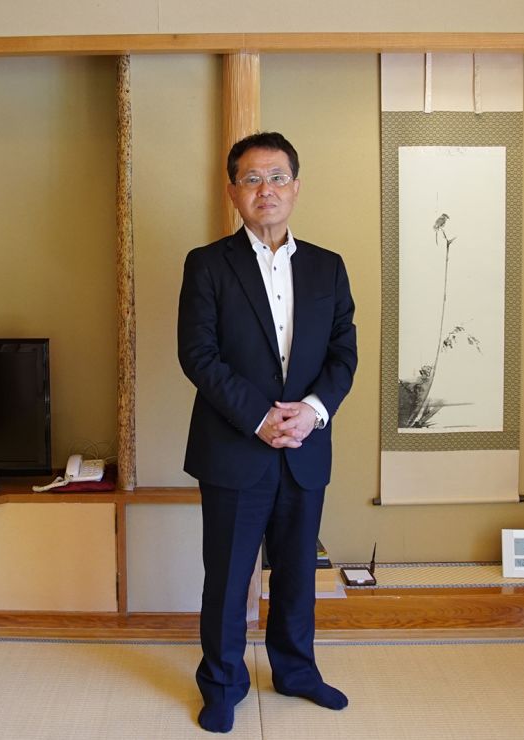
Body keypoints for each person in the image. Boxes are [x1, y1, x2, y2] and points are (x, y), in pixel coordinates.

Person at [177, 132, 358, 733]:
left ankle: (296, 671)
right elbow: (198, 356)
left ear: (296, 188)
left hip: (305, 447)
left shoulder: (328, 267)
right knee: (228, 577)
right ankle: (223, 684)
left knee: (297, 572)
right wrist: (259, 417)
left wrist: (310, 411)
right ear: (234, 191)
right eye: (252, 179)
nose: (266, 190)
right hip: (234, 447)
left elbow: (343, 355)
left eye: (277, 177)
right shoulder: (207, 265)